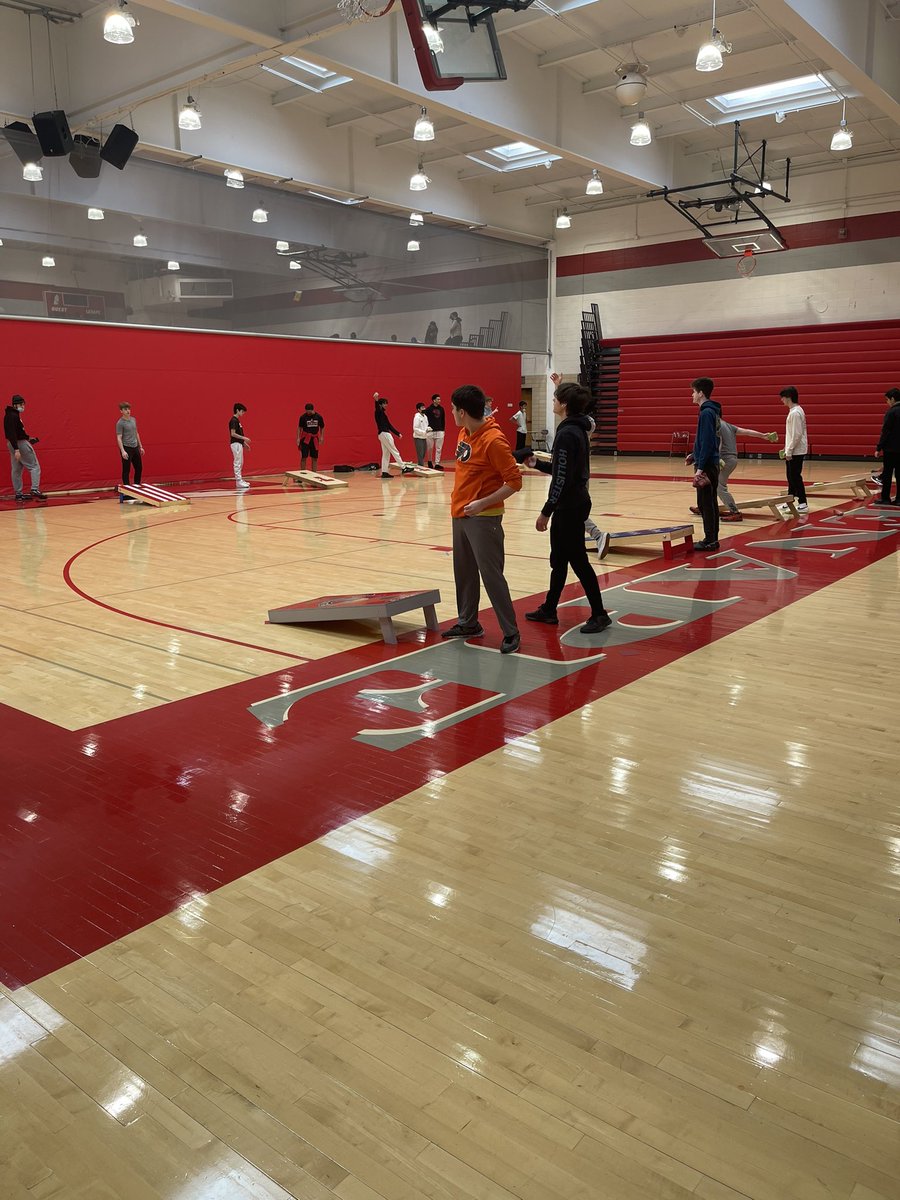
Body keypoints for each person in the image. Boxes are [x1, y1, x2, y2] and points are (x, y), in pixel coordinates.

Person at [524, 381, 612, 635]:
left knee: (578, 561)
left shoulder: (566, 433)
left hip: (569, 507)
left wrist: (546, 511)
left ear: (563, 405)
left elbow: (561, 479)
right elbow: (564, 469)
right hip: (575, 502)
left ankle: (599, 614)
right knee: (559, 560)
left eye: (554, 399)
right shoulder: (577, 430)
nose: (552, 402)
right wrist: (537, 464)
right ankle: (550, 609)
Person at [441, 384, 521, 654]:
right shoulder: (465, 432)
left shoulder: (494, 441)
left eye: (452, 409)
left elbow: (514, 482)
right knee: (463, 573)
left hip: (484, 518)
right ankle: (468, 622)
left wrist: (482, 503)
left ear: (462, 412)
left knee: (491, 575)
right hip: (461, 514)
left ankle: (511, 631)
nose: (450, 413)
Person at [691, 418, 777, 522]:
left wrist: (717, 457)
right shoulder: (728, 425)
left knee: (719, 487)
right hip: (732, 459)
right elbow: (747, 432)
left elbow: (719, 442)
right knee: (711, 483)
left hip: (725, 460)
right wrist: (763, 435)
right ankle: (705, 507)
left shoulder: (716, 425)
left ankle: (735, 512)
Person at [685, 377, 722, 551]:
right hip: (709, 462)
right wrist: (695, 454)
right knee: (710, 503)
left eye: (693, 391)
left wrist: (700, 468)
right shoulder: (710, 411)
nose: (692, 395)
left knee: (706, 504)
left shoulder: (706, 413)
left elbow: (707, 441)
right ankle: (712, 538)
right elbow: (705, 440)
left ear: (700, 393)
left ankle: (710, 540)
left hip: (707, 465)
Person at [4, 393, 46, 502]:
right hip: (19, 444)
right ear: (17, 404)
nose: (23, 407)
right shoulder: (13, 416)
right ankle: (34, 489)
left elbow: (16, 432)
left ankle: (18, 494)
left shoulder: (10, 415)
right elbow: (12, 433)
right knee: (34, 466)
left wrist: (28, 437)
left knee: (16, 469)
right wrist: (17, 449)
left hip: (13, 443)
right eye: (22, 404)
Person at [779, 386, 809, 513]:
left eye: (783, 398)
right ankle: (789, 501)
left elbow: (796, 435)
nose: (781, 400)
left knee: (795, 477)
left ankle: (803, 503)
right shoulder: (794, 411)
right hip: (793, 450)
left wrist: (790, 451)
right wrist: (786, 448)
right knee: (791, 477)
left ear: (789, 398)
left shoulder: (796, 413)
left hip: (796, 451)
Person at [373, 393, 411, 478]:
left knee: (386, 454)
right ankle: (403, 467)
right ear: (381, 404)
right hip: (384, 434)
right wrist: (376, 400)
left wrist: (398, 433)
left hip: (383, 434)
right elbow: (377, 408)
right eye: (384, 403)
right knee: (394, 451)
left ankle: (384, 472)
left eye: (386, 403)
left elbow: (389, 425)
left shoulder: (383, 414)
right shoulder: (378, 412)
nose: (386, 405)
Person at [875, 387, 900, 505]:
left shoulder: (891, 412)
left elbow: (886, 431)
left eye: (887, 400)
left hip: (891, 449)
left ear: (893, 399)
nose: (887, 402)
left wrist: (879, 447)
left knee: (888, 473)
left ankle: (885, 498)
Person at [116, 402, 145, 491]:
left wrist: (140, 446)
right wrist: (123, 451)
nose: (128, 411)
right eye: (125, 409)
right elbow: (119, 437)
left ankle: (136, 487)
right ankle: (127, 490)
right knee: (126, 470)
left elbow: (136, 433)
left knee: (139, 467)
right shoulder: (120, 423)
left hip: (135, 447)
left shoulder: (133, 420)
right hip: (126, 448)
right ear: (121, 411)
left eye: (128, 409)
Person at [297, 402, 325, 470]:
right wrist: (298, 438)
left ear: (312, 410)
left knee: (314, 457)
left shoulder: (319, 417)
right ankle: (302, 475)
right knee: (304, 456)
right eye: (306, 411)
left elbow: (322, 427)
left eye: (309, 412)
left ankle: (314, 474)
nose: (308, 413)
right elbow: (299, 428)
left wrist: (321, 436)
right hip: (305, 439)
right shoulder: (303, 417)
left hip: (314, 439)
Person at [229, 403, 251, 490]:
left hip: (239, 444)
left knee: (241, 462)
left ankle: (240, 479)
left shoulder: (237, 421)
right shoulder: (233, 420)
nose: (243, 413)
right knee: (237, 462)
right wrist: (244, 438)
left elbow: (238, 433)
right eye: (242, 411)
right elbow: (233, 434)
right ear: (237, 410)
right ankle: (238, 481)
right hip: (235, 444)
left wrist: (244, 444)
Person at [424, 393, 446, 470]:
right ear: (434, 400)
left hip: (440, 431)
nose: (439, 400)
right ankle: (429, 461)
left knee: (439, 448)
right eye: (438, 399)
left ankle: (437, 463)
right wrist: (427, 428)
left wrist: (443, 430)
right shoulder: (428, 409)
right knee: (430, 448)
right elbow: (425, 420)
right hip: (430, 431)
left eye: (440, 399)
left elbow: (443, 420)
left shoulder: (442, 409)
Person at [412, 402, 429, 467]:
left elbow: (426, 425)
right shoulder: (417, 417)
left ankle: (420, 465)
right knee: (420, 453)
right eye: (422, 408)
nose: (424, 408)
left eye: (424, 407)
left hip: (424, 437)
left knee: (424, 452)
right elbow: (415, 428)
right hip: (418, 437)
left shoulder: (425, 417)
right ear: (418, 409)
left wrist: (428, 429)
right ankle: (421, 465)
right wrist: (423, 432)